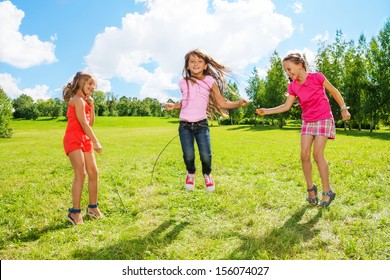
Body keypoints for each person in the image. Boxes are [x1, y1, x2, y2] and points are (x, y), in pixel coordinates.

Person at [256, 53, 351, 207]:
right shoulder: (293, 86)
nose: (288, 73)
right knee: (304, 154)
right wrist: (266, 111)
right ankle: (310, 189)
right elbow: (286, 106)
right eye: (285, 71)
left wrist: (343, 109)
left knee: (317, 154)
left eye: (289, 69)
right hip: (308, 121)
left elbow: (334, 91)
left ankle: (327, 191)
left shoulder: (317, 77)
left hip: (323, 118)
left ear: (300, 65)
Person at [164, 48, 248, 192]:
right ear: (187, 66)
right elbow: (187, 100)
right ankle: (191, 173)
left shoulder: (210, 81)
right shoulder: (182, 82)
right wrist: (174, 106)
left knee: (206, 155)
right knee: (188, 155)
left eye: (199, 61)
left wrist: (237, 103)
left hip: (201, 125)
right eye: (192, 61)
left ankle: (207, 174)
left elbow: (221, 102)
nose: (196, 64)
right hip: (184, 126)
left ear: (205, 66)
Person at [63, 71, 103, 225]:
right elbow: (84, 125)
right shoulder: (77, 100)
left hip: (84, 139)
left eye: (94, 84)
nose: (92, 87)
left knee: (94, 172)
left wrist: (92, 106)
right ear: (80, 83)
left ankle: (93, 208)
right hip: (74, 138)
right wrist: (96, 141)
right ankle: (75, 212)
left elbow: (90, 122)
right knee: (81, 174)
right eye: (89, 83)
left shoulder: (85, 102)